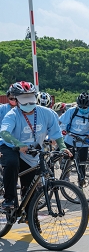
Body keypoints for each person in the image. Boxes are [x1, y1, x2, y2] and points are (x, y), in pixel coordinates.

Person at [0, 82, 70, 210]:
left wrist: (63, 147)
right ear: (16, 100)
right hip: (11, 147)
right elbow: (4, 132)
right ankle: (9, 199)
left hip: (32, 151)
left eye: (30, 99)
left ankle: (31, 219)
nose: (28, 104)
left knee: (30, 191)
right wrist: (18, 144)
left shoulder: (47, 113)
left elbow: (56, 132)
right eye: (24, 100)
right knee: (11, 163)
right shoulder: (12, 114)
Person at [59, 93, 89, 173]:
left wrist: (88, 137)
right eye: (80, 106)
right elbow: (60, 121)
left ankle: (81, 182)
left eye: (85, 107)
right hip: (69, 139)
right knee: (59, 157)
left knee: (81, 164)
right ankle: (64, 177)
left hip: (83, 142)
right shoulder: (72, 111)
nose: (82, 108)